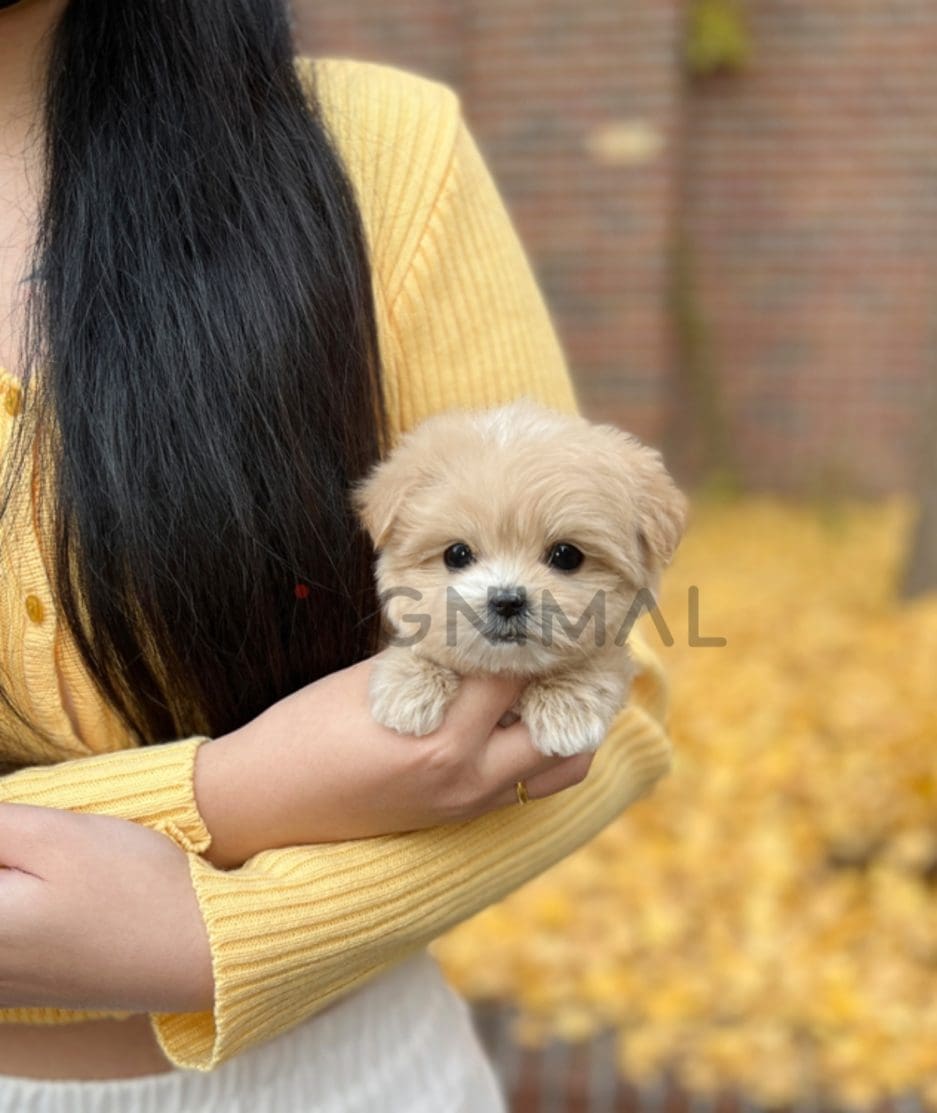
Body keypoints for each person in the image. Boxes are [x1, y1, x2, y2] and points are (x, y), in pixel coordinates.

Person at [0, 1, 674, 1110]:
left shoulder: (383, 159)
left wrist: (232, 929)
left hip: (360, 1073)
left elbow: (605, 690)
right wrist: (235, 797)